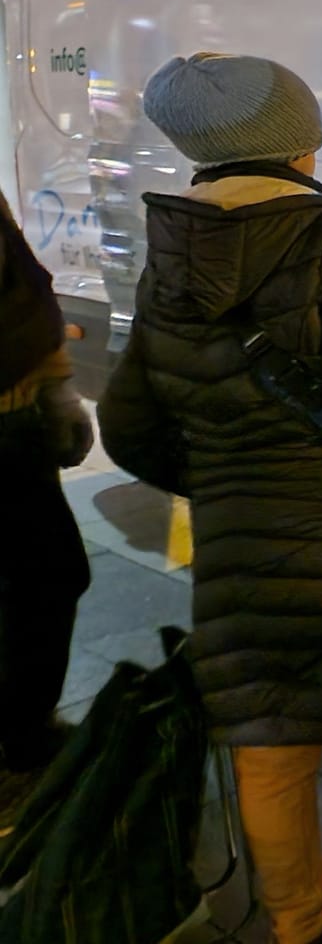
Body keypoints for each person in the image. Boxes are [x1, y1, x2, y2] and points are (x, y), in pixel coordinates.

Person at [97, 53, 322, 944]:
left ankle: (302, 928)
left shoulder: (172, 250)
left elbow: (130, 421)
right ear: (299, 142)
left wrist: (229, 481)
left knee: (268, 742)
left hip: (234, 546)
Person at [0, 190, 94, 827]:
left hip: (16, 428)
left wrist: (57, 388)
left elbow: (27, 288)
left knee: (52, 577)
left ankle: (27, 738)